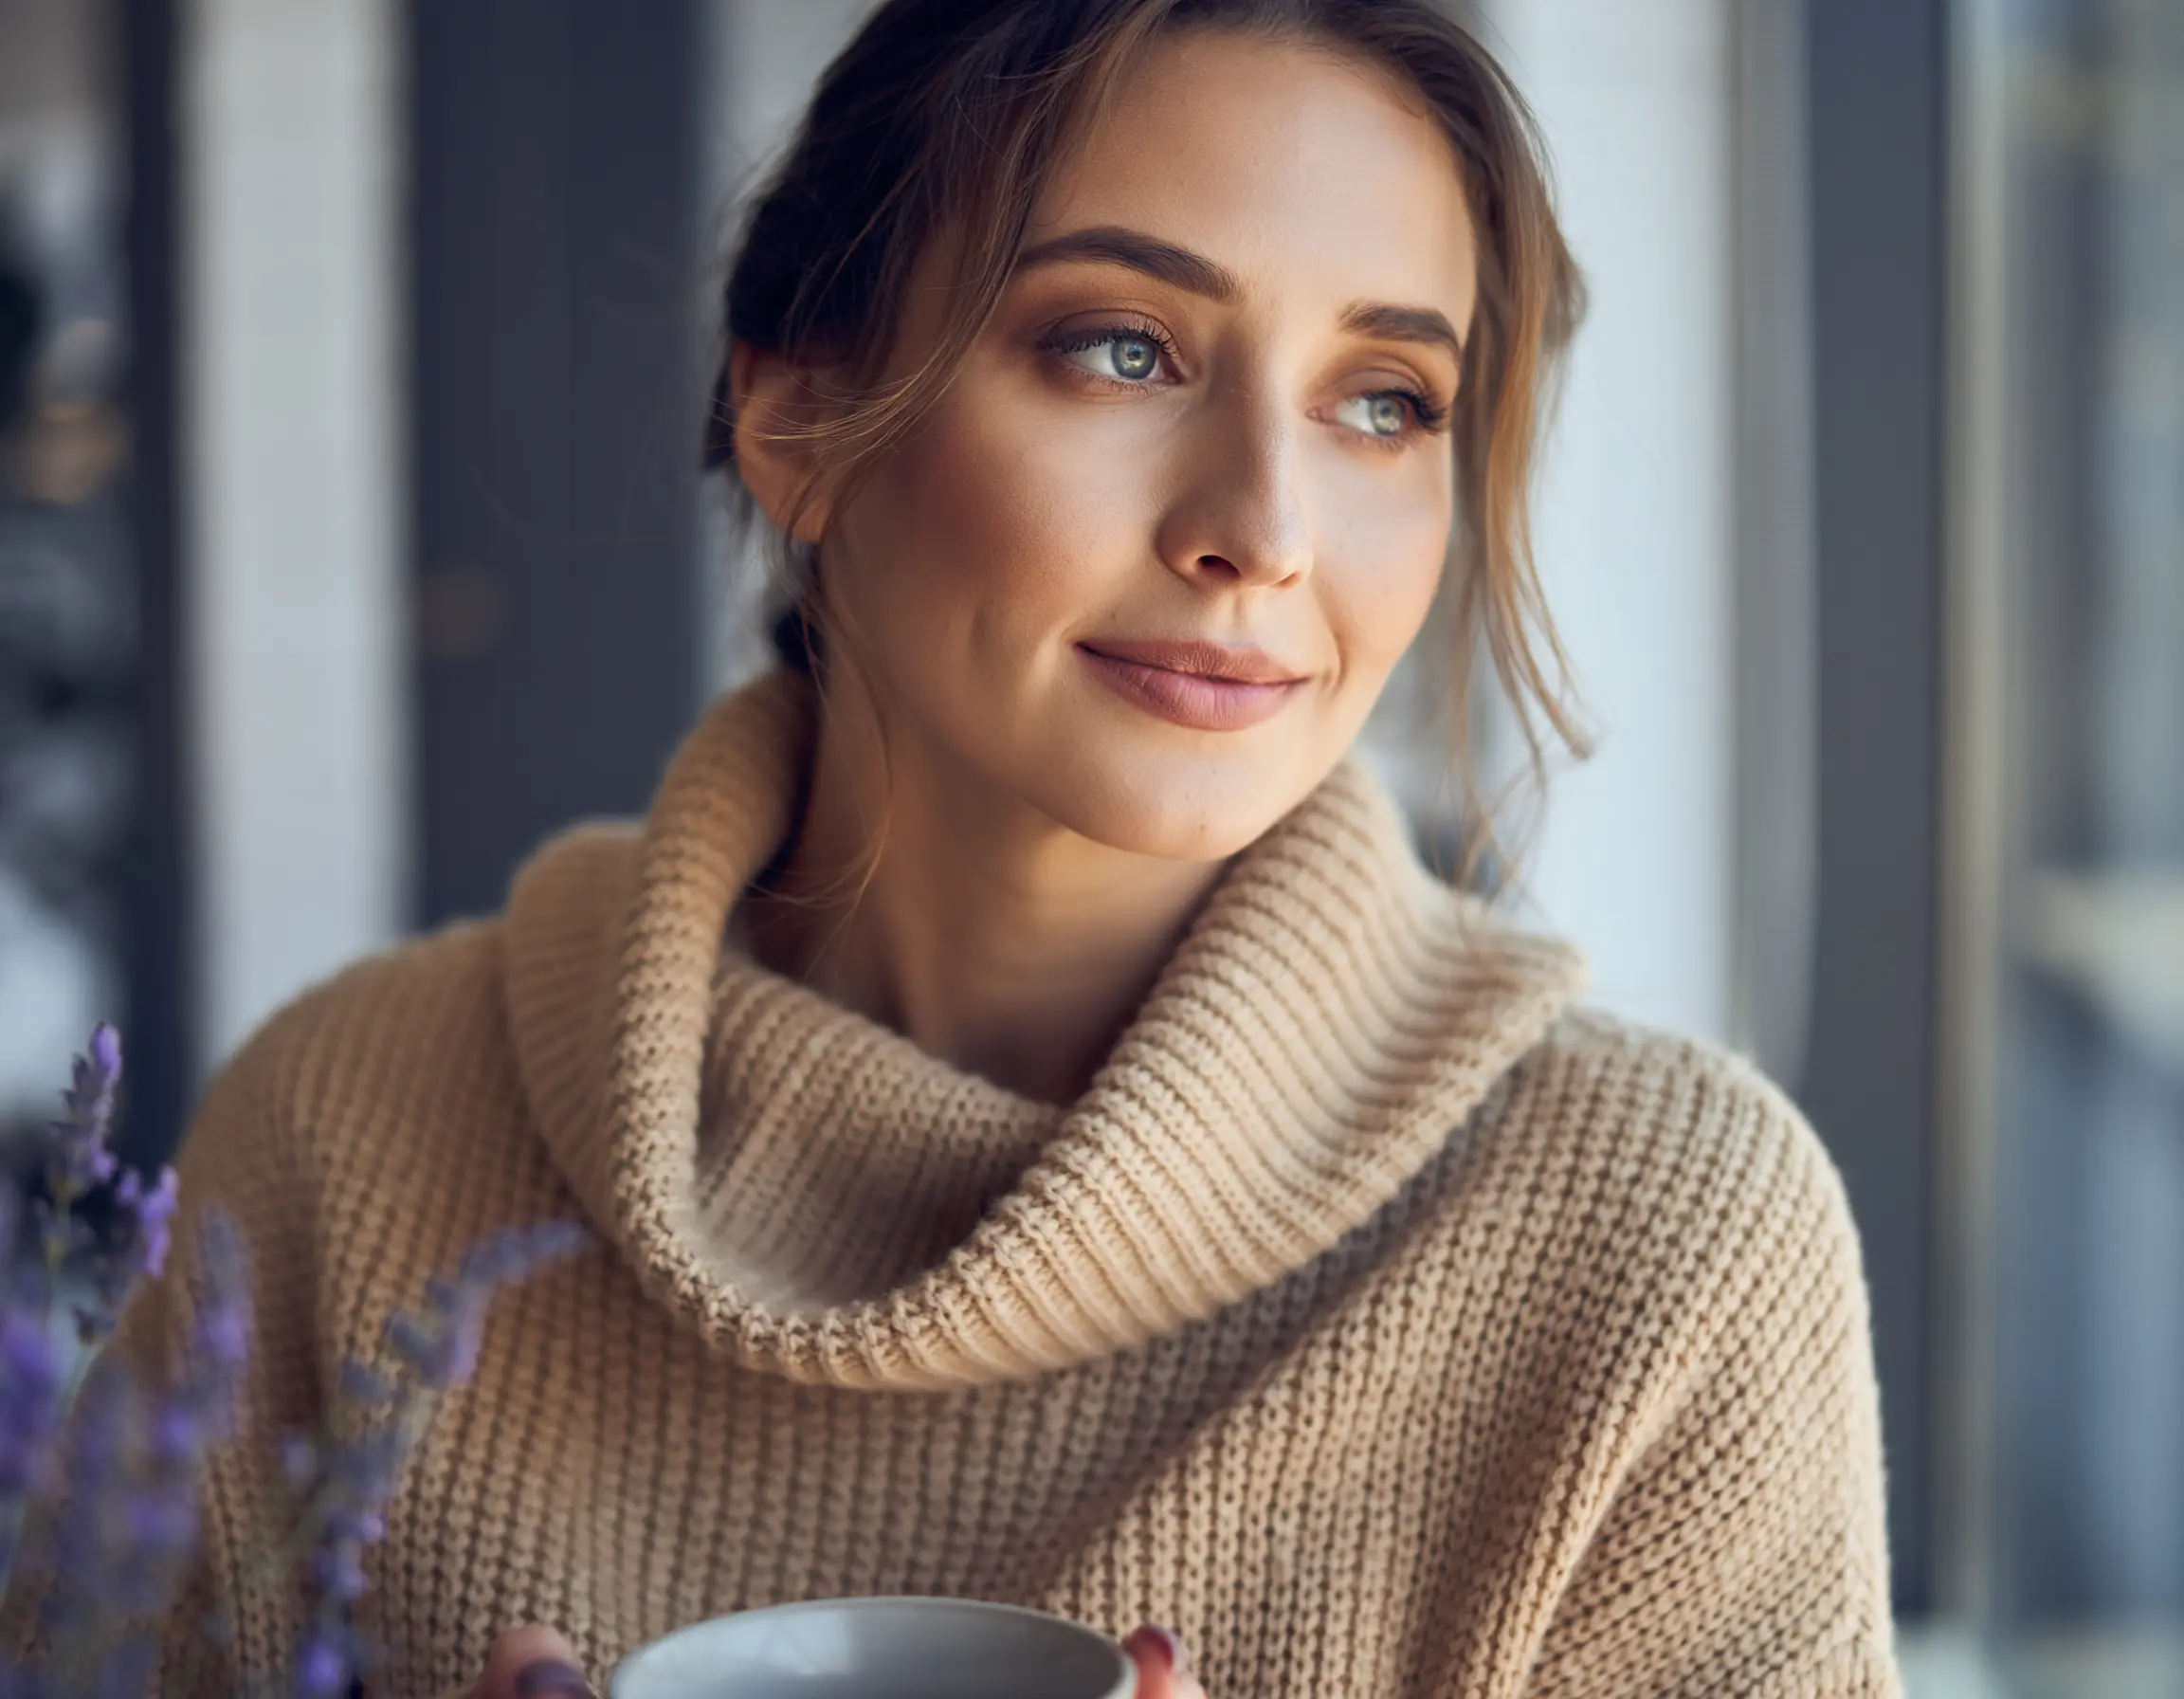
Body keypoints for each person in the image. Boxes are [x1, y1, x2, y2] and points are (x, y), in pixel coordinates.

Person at [15, 1, 1905, 1693]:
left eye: (1383, 401)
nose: (1265, 528)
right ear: (797, 413)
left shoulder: (1663, 1252)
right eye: (1124, 349)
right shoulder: (341, 1135)